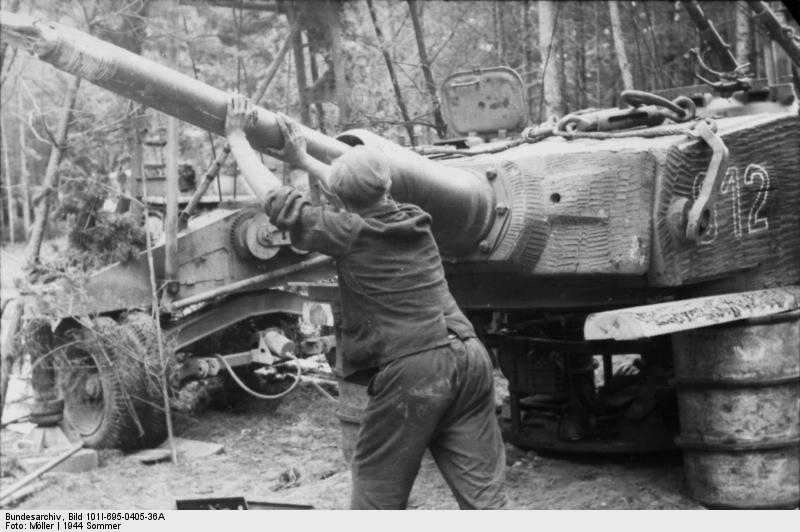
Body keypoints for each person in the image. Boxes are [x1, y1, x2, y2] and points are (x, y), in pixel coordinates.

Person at [224, 93, 507, 510]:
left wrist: (236, 138)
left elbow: (277, 201)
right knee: (486, 501)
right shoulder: (413, 217)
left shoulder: (349, 231)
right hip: (469, 357)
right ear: (387, 185)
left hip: (416, 369)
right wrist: (304, 160)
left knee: (375, 502)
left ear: (342, 199)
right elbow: (359, 191)